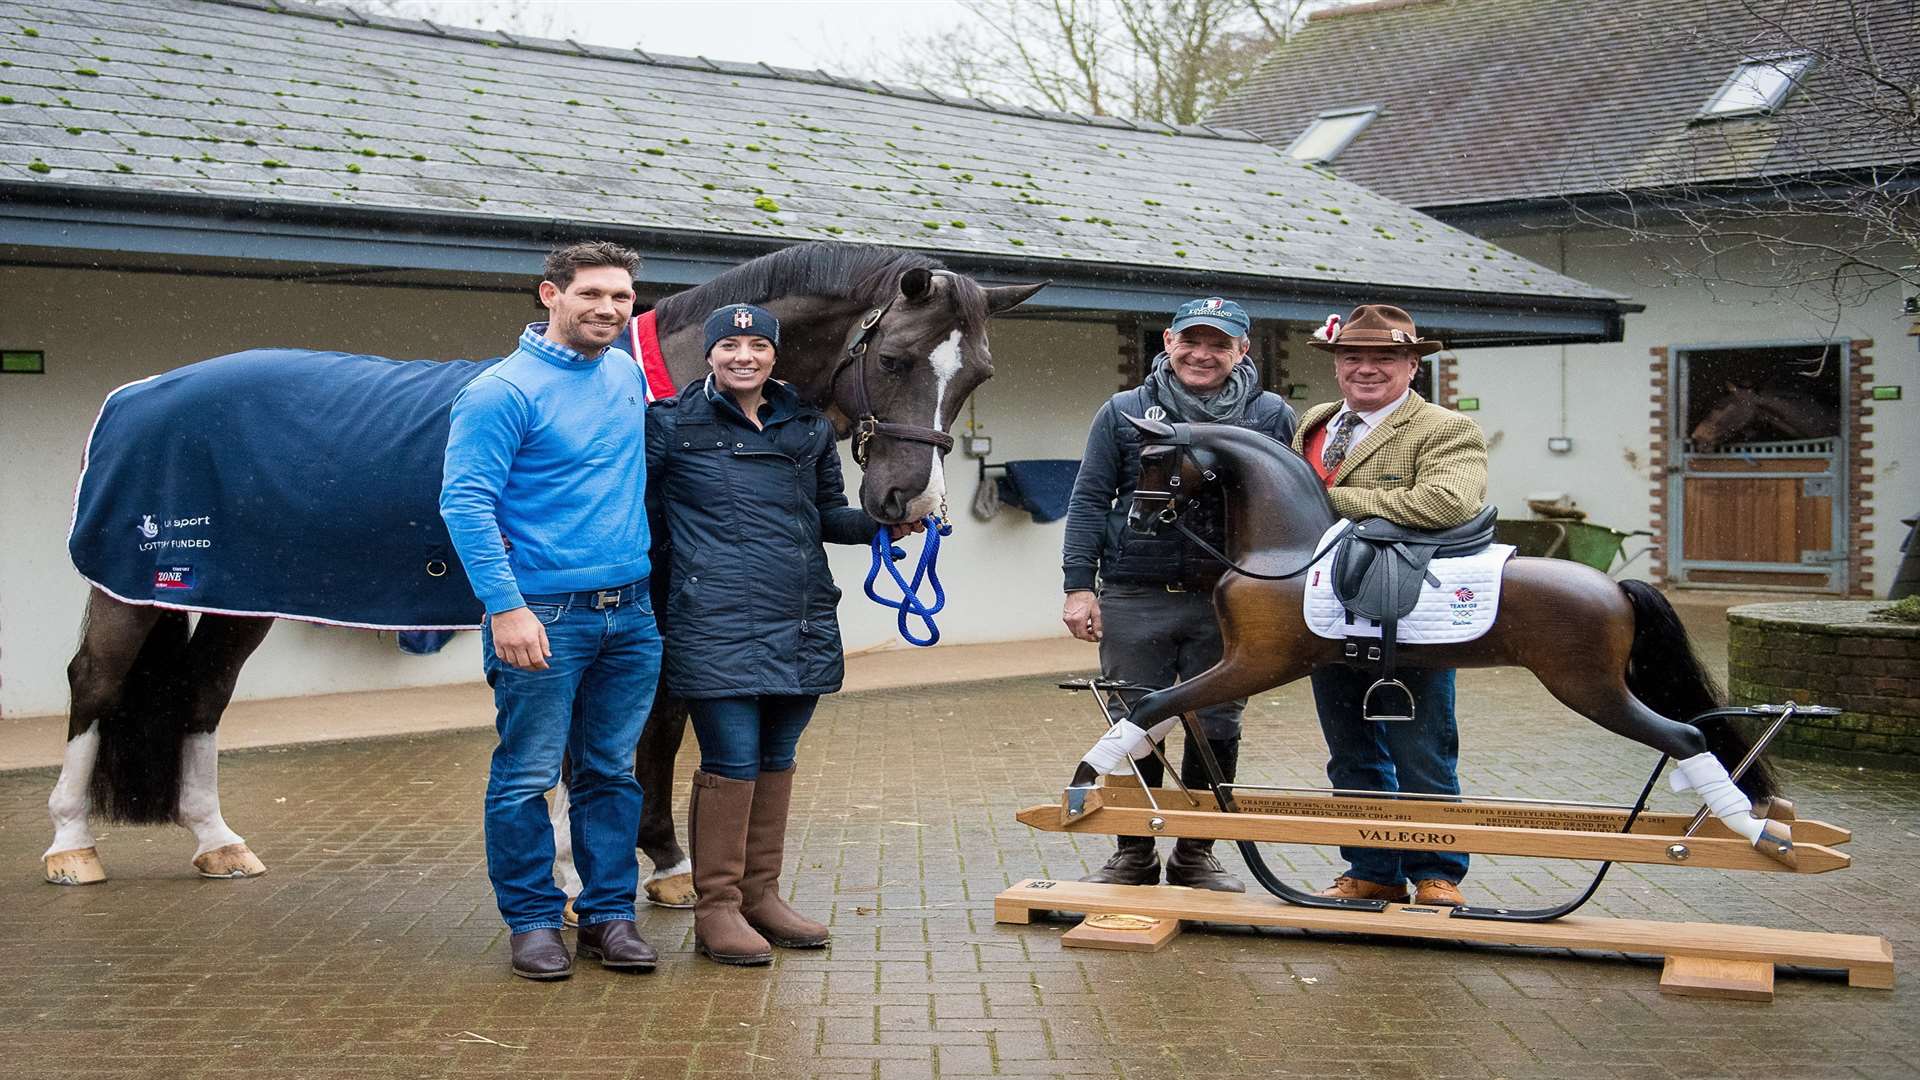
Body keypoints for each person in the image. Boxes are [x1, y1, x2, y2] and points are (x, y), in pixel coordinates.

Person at [646, 303, 919, 966]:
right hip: (712, 620)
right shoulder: (670, 426)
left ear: (774, 355)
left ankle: (759, 896)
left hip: (797, 615)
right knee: (731, 759)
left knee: (775, 759)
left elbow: (825, 514)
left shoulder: (807, 428)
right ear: (710, 354)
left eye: (757, 345)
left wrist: (886, 524)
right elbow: (634, 515)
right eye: (730, 344)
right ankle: (716, 909)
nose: (744, 356)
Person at [440, 241, 663, 981]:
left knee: (610, 772)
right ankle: (533, 921)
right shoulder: (502, 391)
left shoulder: (628, 372)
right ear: (550, 295)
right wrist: (505, 608)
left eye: (622, 298)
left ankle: (608, 916)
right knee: (527, 775)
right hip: (545, 614)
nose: (608, 309)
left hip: (630, 612)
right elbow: (464, 503)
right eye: (592, 294)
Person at [1060, 297, 1296, 891]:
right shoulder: (1123, 412)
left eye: (1219, 343)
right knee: (1135, 717)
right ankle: (1132, 851)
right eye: (1191, 340)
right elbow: (1089, 500)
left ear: (1242, 351)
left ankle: (1196, 852)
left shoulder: (1270, 416)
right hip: (1135, 593)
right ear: (1168, 342)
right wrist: (1077, 588)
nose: (1202, 354)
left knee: (1215, 722)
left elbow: (1284, 508)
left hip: (1228, 597)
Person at [1292, 303, 1489, 908]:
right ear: (1337, 366)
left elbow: (1449, 502)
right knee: (1350, 754)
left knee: (1422, 751)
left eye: (1384, 358)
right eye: (1353, 357)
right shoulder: (1313, 423)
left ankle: (1438, 872)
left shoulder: (1447, 429)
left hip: (1410, 610)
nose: (1366, 369)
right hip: (1329, 610)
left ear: (1412, 365)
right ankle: (1372, 868)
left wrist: (1325, 498)